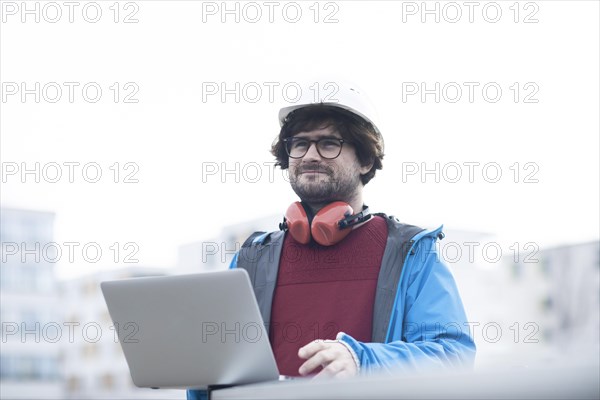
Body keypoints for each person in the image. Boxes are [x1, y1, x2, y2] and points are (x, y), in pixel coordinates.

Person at [188, 83, 475, 399]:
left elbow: (452, 356)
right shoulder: (252, 258)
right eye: (299, 144)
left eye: (328, 143)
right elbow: (214, 370)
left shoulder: (411, 250)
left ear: (365, 160)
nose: (310, 155)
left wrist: (362, 361)